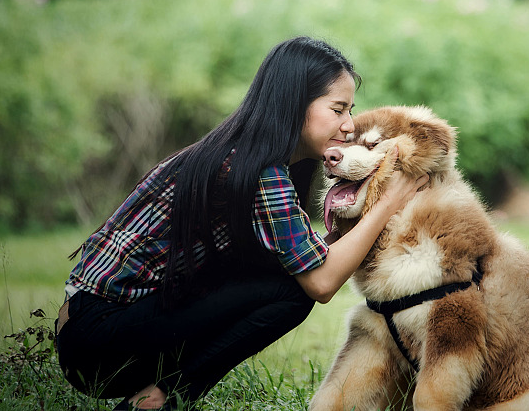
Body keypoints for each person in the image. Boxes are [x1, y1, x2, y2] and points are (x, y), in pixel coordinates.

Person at [55, 36, 428, 410]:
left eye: (350, 110)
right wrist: (389, 202)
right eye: (338, 109)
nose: (348, 125)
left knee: (285, 280)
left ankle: (160, 396)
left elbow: (305, 258)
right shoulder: (258, 170)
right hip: (96, 340)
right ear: (296, 103)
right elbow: (321, 282)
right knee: (293, 292)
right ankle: (164, 398)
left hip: (100, 331)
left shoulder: (248, 155)